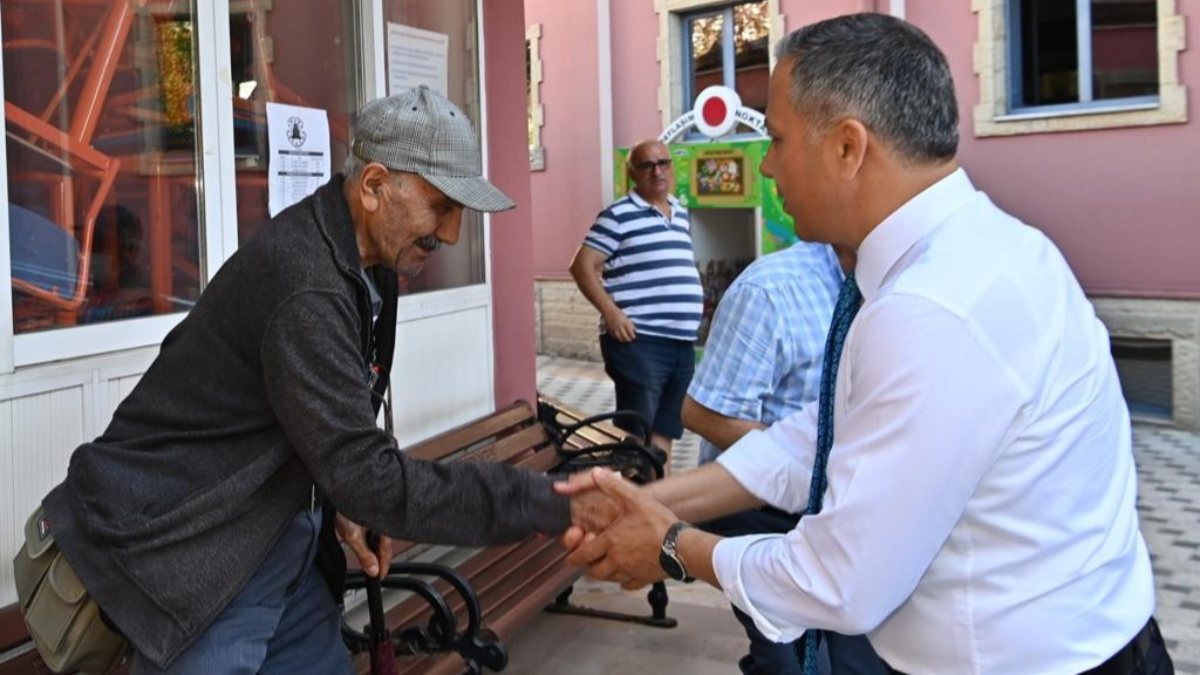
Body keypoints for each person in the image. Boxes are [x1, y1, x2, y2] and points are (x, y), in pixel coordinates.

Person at [558, 13, 1173, 675]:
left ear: (848, 148)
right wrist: (655, 501)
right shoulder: (968, 253)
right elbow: (823, 437)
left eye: (779, 139)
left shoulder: (934, 307)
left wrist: (672, 546)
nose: (767, 166)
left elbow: (840, 578)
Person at [40, 86, 586, 674]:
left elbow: (333, 426)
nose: (450, 234)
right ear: (374, 186)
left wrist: (346, 500)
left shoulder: (366, 262)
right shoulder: (308, 284)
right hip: (200, 563)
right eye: (441, 207)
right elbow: (365, 472)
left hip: (281, 543)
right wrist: (544, 500)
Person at [685, 240, 886, 675]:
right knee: (792, 663)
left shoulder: (903, 290)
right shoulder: (771, 290)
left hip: (850, 513)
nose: (771, 169)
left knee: (859, 661)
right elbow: (706, 412)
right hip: (763, 513)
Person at [569, 139, 703, 459]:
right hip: (640, 342)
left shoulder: (680, 213)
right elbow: (582, 266)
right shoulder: (618, 215)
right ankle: (628, 504)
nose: (657, 171)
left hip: (680, 344)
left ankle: (658, 505)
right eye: (647, 165)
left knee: (663, 439)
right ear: (632, 173)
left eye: (663, 163)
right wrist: (612, 314)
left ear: (671, 167)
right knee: (636, 438)